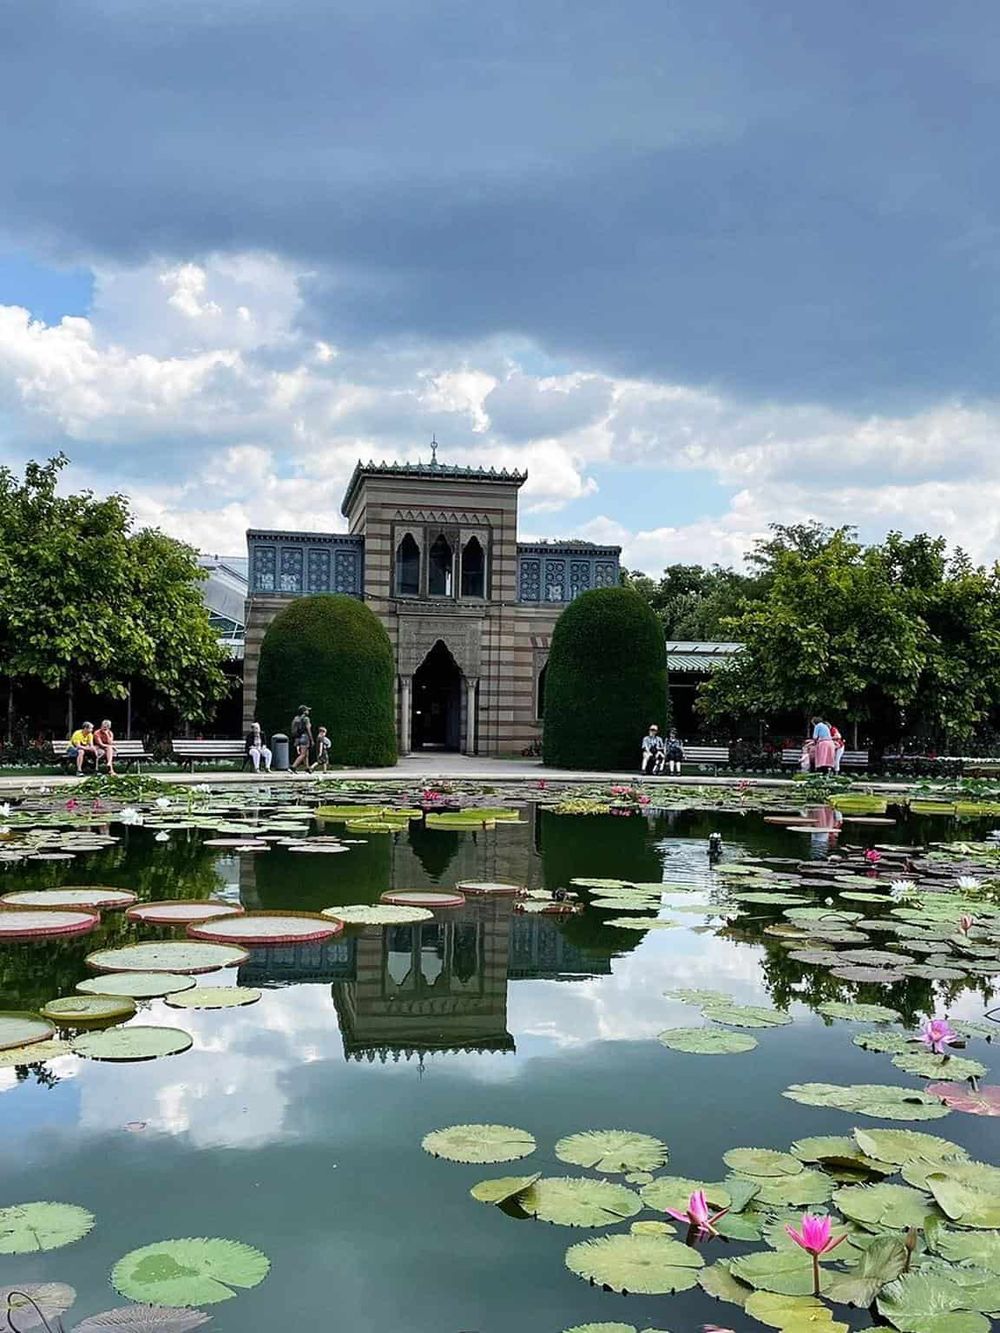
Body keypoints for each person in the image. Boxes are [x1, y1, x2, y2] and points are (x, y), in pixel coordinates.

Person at [290, 705, 313, 772]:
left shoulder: (296, 718)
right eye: (307, 710)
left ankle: (307, 768)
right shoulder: (306, 719)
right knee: (303, 754)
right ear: (304, 712)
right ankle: (293, 767)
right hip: (305, 737)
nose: (308, 711)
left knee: (306, 754)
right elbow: (308, 729)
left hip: (299, 737)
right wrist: (311, 739)